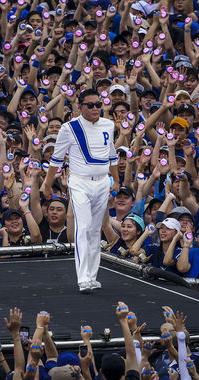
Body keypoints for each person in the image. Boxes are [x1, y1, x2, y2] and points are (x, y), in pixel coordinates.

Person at [43, 89, 120, 292]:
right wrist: (48, 184)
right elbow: (57, 158)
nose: (96, 108)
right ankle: (83, 277)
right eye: (90, 105)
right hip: (79, 182)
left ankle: (92, 276)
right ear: (80, 107)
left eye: (98, 104)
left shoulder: (108, 125)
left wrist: (117, 180)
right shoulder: (69, 128)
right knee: (83, 227)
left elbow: (112, 154)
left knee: (96, 230)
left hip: (103, 181)